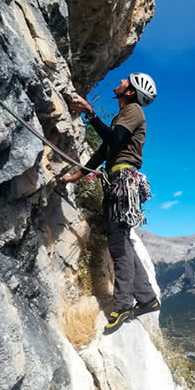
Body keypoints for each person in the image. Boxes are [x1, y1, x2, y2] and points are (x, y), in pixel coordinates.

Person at [63, 73, 160, 335]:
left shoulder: (134, 110)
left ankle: (124, 305)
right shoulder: (122, 116)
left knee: (118, 244)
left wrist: (91, 113)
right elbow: (104, 149)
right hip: (118, 181)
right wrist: (78, 174)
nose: (121, 81)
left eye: (126, 81)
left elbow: (115, 141)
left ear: (130, 92)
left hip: (122, 182)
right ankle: (147, 298)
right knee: (123, 241)